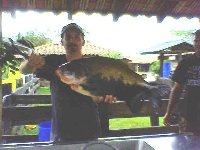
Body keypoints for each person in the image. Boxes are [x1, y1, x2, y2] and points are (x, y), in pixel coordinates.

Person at [19, 23, 116, 143]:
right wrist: (30, 63)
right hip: (61, 133)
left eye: (76, 37)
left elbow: (102, 92)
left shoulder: (93, 65)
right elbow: (24, 70)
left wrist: (107, 95)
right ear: (62, 42)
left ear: (83, 42)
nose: (72, 40)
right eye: (68, 37)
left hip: (90, 130)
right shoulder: (54, 62)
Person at [163, 29, 200, 135]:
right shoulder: (186, 62)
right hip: (189, 116)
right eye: (196, 41)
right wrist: (168, 112)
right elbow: (177, 89)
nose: (198, 44)